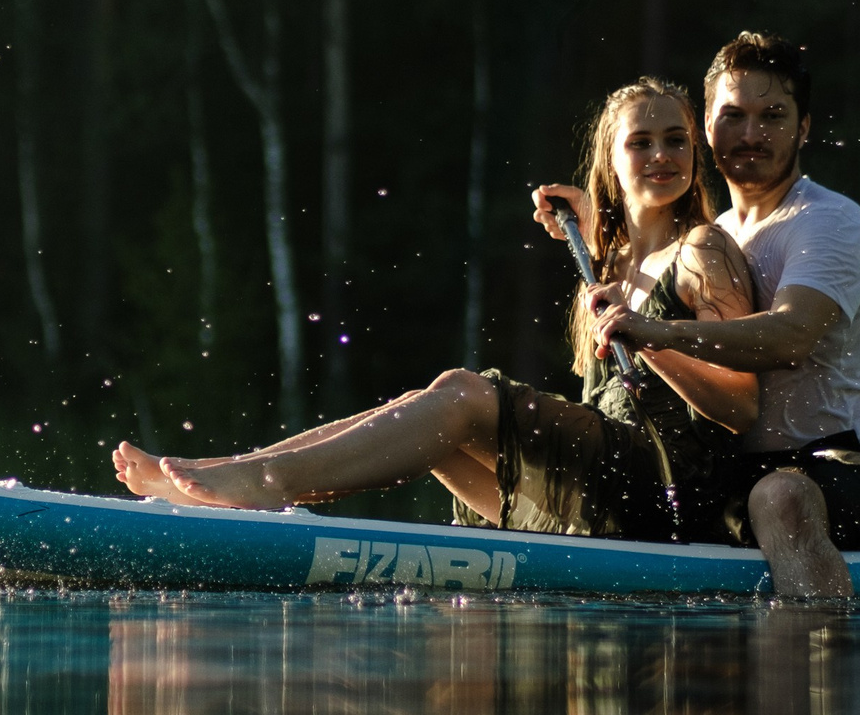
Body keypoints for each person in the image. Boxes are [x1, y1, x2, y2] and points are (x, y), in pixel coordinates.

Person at [111, 77, 758, 540]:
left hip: (666, 485)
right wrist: (589, 231)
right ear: (610, 162)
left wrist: (651, 337)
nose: (661, 156)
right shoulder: (613, 262)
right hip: (607, 483)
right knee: (432, 428)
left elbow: (740, 406)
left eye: (675, 140)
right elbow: (620, 259)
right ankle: (238, 473)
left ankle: (259, 482)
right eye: (640, 142)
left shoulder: (704, 250)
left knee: (459, 396)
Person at [567, 33, 860, 597]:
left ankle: (822, 669)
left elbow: (791, 336)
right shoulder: (719, 234)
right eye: (734, 115)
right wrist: (588, 225)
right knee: (754, 492)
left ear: (804, 128)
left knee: (780, 496)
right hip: (731, 478)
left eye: (773, 116)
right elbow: (640, 268)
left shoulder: (828, 222)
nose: (751, 134)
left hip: (840, 469)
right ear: (707, 127)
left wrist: (654, 331)